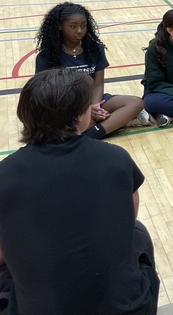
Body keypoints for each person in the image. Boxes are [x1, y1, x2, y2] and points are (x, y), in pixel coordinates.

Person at [0, 69, 159, 315]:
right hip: (132, 310)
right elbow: (128, 220)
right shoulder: (116, 158)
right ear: (80, 116)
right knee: (138, 233)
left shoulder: (5, 173)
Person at [35, 1, 148, 138]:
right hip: (65, 106)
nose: (80, 30)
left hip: (92, 100)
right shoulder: (47, 56)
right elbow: (45, 93)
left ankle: (91, 135)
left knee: (136, 103)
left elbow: (98, 83)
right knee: (52, 122)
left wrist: (94, 106)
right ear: (60, 26)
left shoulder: (95, 49)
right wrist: (85, 110)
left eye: (83, 26)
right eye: (73, 26)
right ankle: (107, 124)